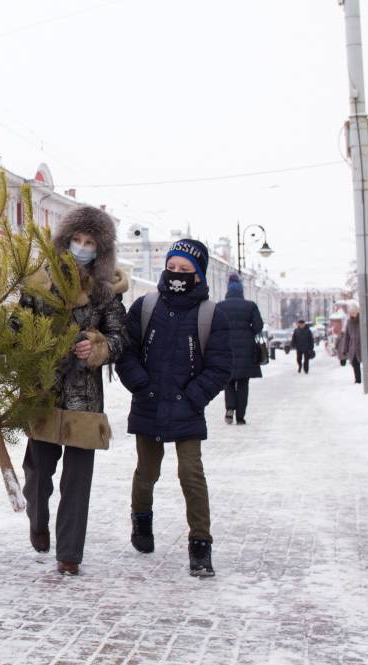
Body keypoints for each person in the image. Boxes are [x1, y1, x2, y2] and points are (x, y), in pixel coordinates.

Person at [18, 206, 128, 577]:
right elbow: (17, 326)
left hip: (85, 396)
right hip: (43, 388)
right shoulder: (38, 282)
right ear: (64, 243)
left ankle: (69, 554)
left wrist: (98, 347)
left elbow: (119, 337)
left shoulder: (105, 290)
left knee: (77, 480)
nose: (82, 248)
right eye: (77, 241)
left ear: (100, 250)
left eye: (90, 243)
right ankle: (37, 519)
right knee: (37, 471)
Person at [116, 239, 232, 578]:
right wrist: (140, 384)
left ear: (198, 275)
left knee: (191, 474)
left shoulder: (211, 314)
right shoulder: (146, 306)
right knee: (147, 472)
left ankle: (200, 545)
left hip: (187, 408)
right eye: (173, 267)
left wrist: (193, 397)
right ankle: (141, 522)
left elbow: (220, 367)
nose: (177, 274)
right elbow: (126, 352)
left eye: (186, 270)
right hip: (148, 403)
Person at [216, 273, 263, 425]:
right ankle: (241, 416)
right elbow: (258, 327)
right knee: (243, 383)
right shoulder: (250, 306)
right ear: (241, 290)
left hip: (226, 348)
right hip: (246, 349)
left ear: (227, 289)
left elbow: (214, 327)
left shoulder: (220, 306)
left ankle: (230, 407)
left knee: (228, 381)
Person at [336, 306, 362, 384]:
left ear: (357, 313)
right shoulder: (349, 322)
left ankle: (364, 379)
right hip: (353, 347)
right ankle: (358, 380)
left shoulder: (362, 321)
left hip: (361, 346)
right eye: (351, 313)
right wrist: (345, 349)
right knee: (354, 363)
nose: (352, 314)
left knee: (363, 362)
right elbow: (347, 337)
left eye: (353, 312)